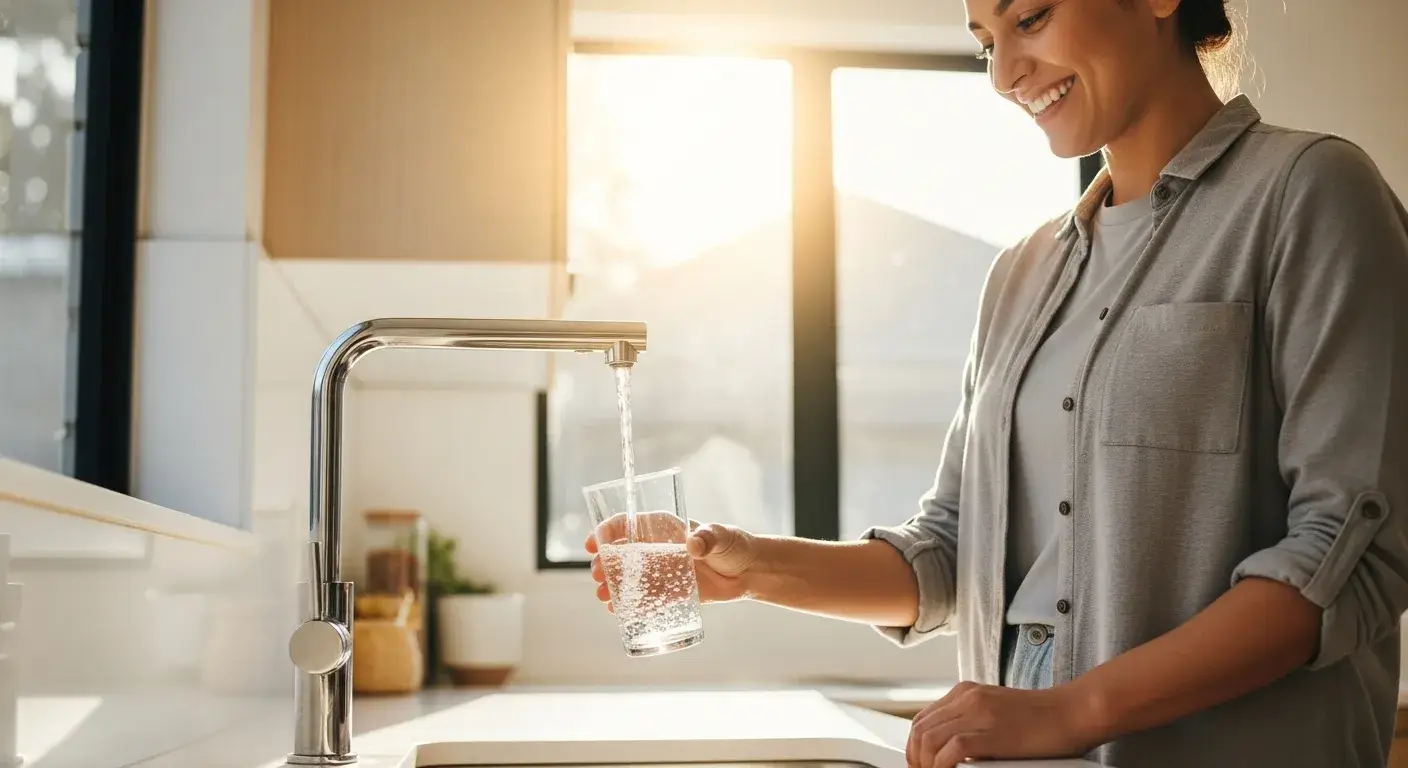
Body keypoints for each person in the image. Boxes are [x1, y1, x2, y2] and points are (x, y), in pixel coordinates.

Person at [587, 0, 1408, 765]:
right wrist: (748, 565)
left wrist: (1071, 710)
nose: (1004, 74)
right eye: (986, 42)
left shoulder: (1312, 195)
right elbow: (948, 557)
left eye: (1031, 18)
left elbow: (1347, 555)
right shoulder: (1022, 272)